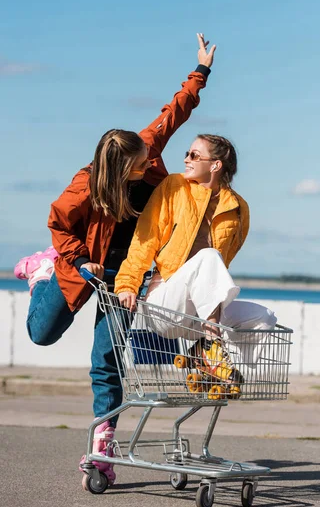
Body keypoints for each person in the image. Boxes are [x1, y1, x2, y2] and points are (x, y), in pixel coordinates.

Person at [13, 33, 216, 487]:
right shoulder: (83, 189)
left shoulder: (147, 148)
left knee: (107, 358)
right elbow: (59, 224)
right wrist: (77, 259)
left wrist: (200, 71)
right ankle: (40, 270)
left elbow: (174, 112)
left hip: (125, 277)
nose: (151, 163)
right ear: (121, 169)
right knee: (41, 334)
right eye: (142, 163)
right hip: (79, 268)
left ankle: (102, 447)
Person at [114, 134, 277, 374]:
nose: (186, 160)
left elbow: (225, 261)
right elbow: (144, 239)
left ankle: (211, 363)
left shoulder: (238, 207)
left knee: (264, 318)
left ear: (215, 165)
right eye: (187, 154)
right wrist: (127, 283)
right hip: (165, 302)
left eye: (194, 155)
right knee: (209, 256)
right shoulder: (173, 187)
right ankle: (212, 347)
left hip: (197, 312)